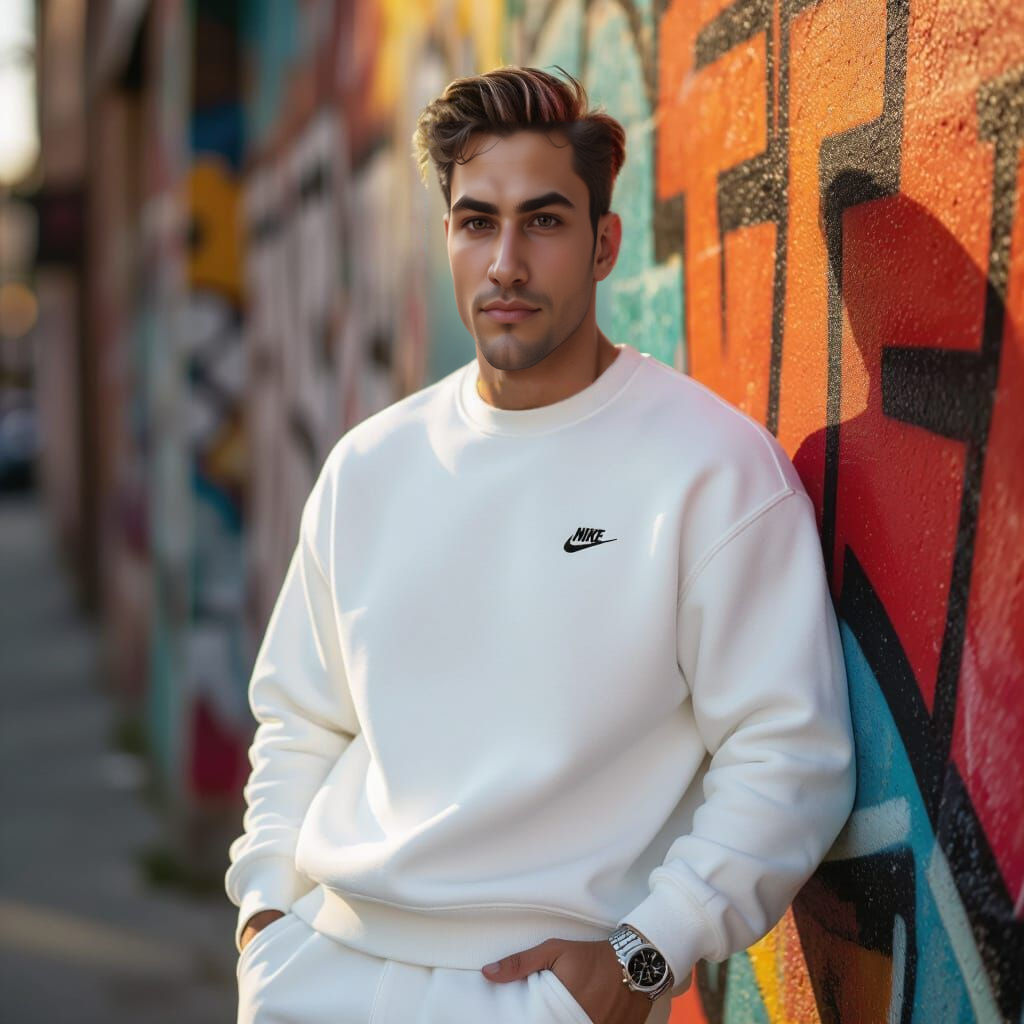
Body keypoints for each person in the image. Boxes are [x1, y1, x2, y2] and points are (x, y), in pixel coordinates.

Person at [225, 65, 857, 1024]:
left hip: (538, 999)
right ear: (448, 237)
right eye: (477, 221)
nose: (506, 262)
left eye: (545, 221)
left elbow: (789, 754)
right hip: (319, 972)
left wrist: (647, 956)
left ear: (605, 244)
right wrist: (266, 913)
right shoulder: (370, 468)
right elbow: (302, 721)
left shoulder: (711, 472)